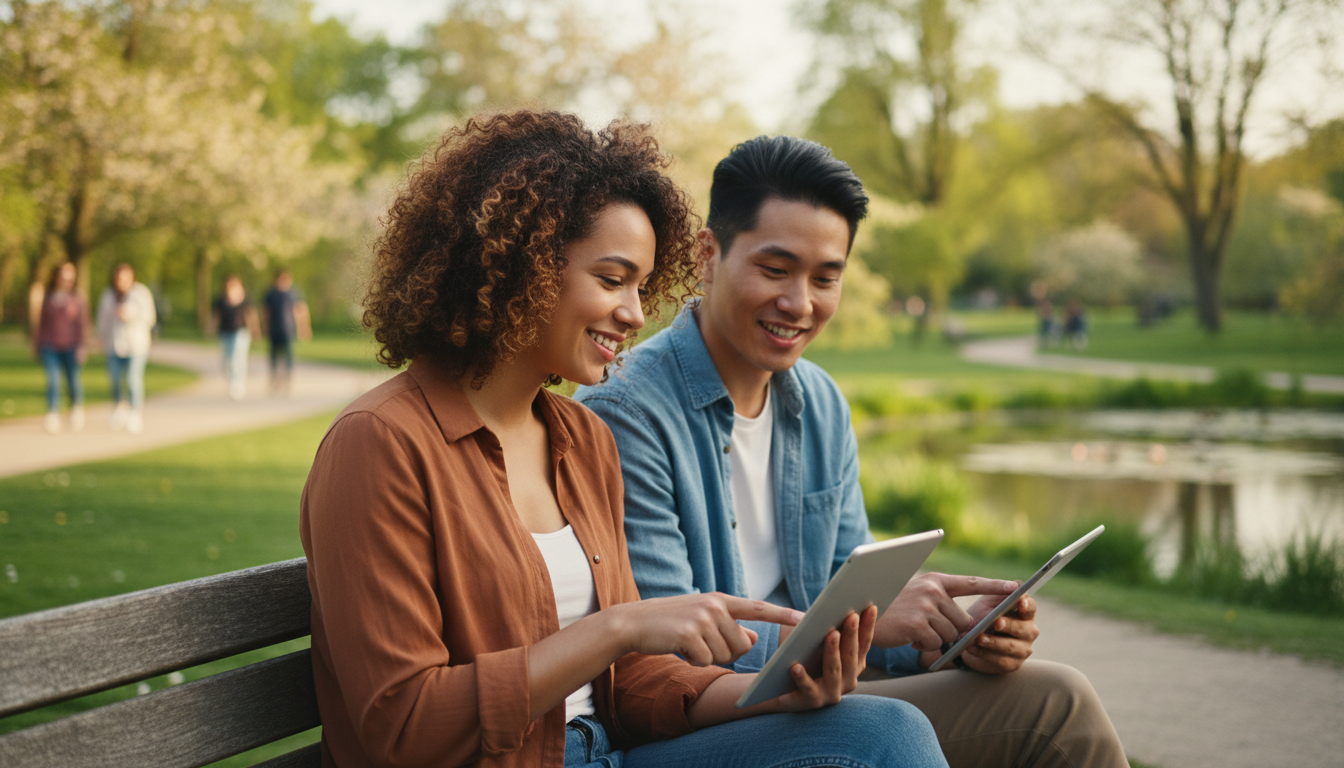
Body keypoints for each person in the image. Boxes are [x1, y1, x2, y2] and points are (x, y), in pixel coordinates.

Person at [300, 111, 947, 768]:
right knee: (887, 740)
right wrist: (617, 628)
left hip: (607, 755)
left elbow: (631, 684)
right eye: (612, 281)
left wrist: (771, 693)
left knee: (878, 726)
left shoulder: (579, 439)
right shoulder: (381, 445)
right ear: (521, 266)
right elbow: (402, 730)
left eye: (641, 285)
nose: (636, 314)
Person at [576, 136, 1129, 768]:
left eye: (825, 278)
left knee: (1057, 701)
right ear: (709, 254)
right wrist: (856, 622)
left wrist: (943, 635)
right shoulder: (626, 412)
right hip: (708, 721)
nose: (799, 303)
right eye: (775, 269)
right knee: (894, 731)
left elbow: (854, 588)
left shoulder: (821, 402)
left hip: (825, 691)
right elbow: (663, 654)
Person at [96, 263, 156, 434]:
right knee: (115, 380)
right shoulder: (108, 296)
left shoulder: (140, 294)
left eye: (125, 278)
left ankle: (135, 413)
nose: (121, 282)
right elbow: (103, 319)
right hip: (114, 345)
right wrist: (101, 337)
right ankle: (118, 408)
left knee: (132, 379)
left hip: (136, 346)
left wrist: (130, 314)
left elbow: (150, 318)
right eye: (118, 278)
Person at [33, 262, 89, 433]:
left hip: (71, 345)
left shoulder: (77, 297)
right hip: (50, 345)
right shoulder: (48, 296)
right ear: (56, 277)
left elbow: (84, 324)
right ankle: (53, 413)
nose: (67, 281)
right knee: (53, 380)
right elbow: (41, 323)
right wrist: (37, 345)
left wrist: (83, 346)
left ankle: (75, 408)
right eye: (63, 277)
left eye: (70, 278)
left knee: (73, 380)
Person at [209, 275, 260, 400]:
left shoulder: (245, 300)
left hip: (241, 332)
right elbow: (215, 316)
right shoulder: (220, 300)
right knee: (227, 360)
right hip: (225, 333)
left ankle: (238, 384)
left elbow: (251, 315)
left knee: (238, 357)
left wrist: (255, 331)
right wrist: (210, 329)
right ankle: (232, 380)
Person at [262, 269, 311, 396]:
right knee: (274, 357)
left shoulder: (294, 293)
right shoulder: (271, 294)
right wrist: (264, 327)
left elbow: (301, 310)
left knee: (289, 357)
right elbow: (266, 312)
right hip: (274, 330)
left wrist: (304, 328)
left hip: (289, 330)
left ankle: (287, 380)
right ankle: (274, 380)